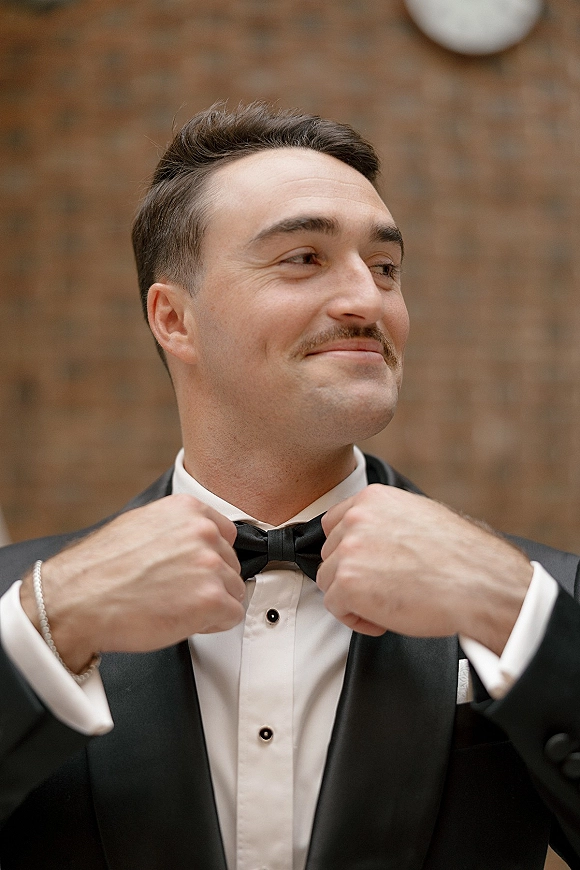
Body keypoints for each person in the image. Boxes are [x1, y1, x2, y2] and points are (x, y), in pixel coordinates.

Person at [0, 103, 579, 870]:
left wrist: (512, 609)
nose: (367, 301)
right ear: (174, 319)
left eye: (385, 268)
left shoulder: (553, 602)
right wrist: (47, 626)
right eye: (304, 258)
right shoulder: (17, 608)